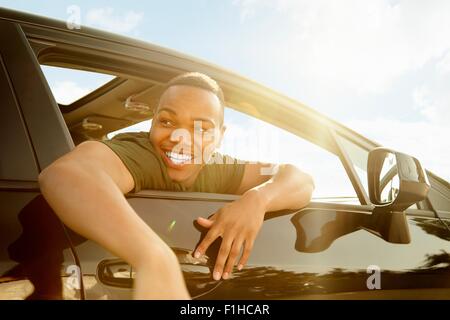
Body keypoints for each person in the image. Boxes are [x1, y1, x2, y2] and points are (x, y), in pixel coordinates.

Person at [38, 72, 315, 299]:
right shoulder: (143, 154)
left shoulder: (218, 166)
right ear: (151, 125)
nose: (180, 138)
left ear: (220, 136)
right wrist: (155, 259)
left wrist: (257, 200)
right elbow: (66, 174)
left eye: (202, 128)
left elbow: (300, 180)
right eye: (167, 121)